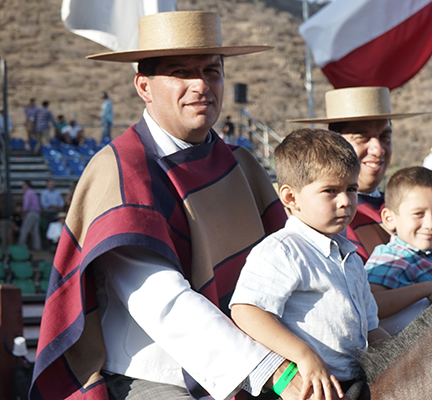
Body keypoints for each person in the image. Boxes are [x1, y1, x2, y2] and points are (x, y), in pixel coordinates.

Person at [30, 11, 314, 400]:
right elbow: (161, 300)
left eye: (211, 71)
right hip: (160, 379)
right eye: (180, 73)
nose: (200, 85)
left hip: (264, 361)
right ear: (143, 86)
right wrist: (272, 371)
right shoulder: (120, 171)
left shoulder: (243, 166)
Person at [231, 129, 388, 399]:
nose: (345, 202)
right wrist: (303, 355)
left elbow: (371, 329)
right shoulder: (283, 250)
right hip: (307, 389)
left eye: (351, 189)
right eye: (330, 191)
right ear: (291, 198)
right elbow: (246, 311)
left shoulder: (349, 256)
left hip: (355, 382)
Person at [290, 86, 426, 262]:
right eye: (362, 137)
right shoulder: (319, 216)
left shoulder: (412, 207)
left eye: (385, 137)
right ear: (334, 143)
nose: (378, 150)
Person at [365, 167, 432, 334]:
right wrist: (426, 289)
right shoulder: (392, 256)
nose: (431, 224)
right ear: (389, 219)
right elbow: (371, 305)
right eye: (419, 213)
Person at [18, 180, 41, 250]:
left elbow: (26, 206)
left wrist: (23, 214)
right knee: (35, 231)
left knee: (24, 229)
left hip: (31, 213)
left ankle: (20, 246)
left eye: (24, 185)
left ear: (27, 186)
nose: (22, 187)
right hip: (37, 213)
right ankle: (37, 247)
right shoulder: (33, 193)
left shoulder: (28, 193)